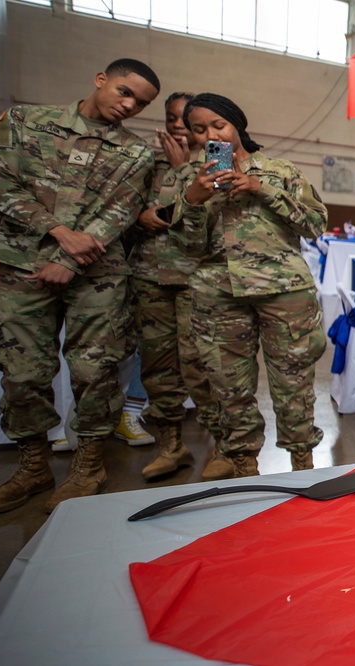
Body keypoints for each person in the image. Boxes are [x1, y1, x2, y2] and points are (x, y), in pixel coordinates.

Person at [0, 58, 160, 514]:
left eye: (140, 103)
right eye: (124, 92)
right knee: (21, 372)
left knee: (94, 372)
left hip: (96, 274)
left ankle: (88, 467)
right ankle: (33, 466)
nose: (129, 105)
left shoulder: (136, 153)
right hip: (24, 265)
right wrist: (58, 235)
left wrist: (68, 258)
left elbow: (120, 213)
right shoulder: (25, 121)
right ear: (100, 79)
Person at [171, 93, 328, 477]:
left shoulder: (280, 171)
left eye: (219, 125)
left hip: (284, 292)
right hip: (219, 295)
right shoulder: (188, 180)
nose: (211, 134)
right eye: (199, 129)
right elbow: (185, 247)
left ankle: (303, 466)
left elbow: (315, 224)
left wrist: (262, 189)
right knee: (229, 387)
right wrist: (193, 200)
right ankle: (244, 467)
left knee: (293, 384)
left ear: (237, 125)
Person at [128, 90, 225, 480]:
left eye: (189, 120)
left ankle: (223, 445)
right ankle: (172, 445)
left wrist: (184, 168)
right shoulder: (147, 162)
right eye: (172, 118)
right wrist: (140, 217)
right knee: (157, 367)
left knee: (204, 367)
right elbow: (121, 206)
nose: (179, 126)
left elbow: (218, 215)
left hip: (198, 278)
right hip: (151, 275)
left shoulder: (218, 160)